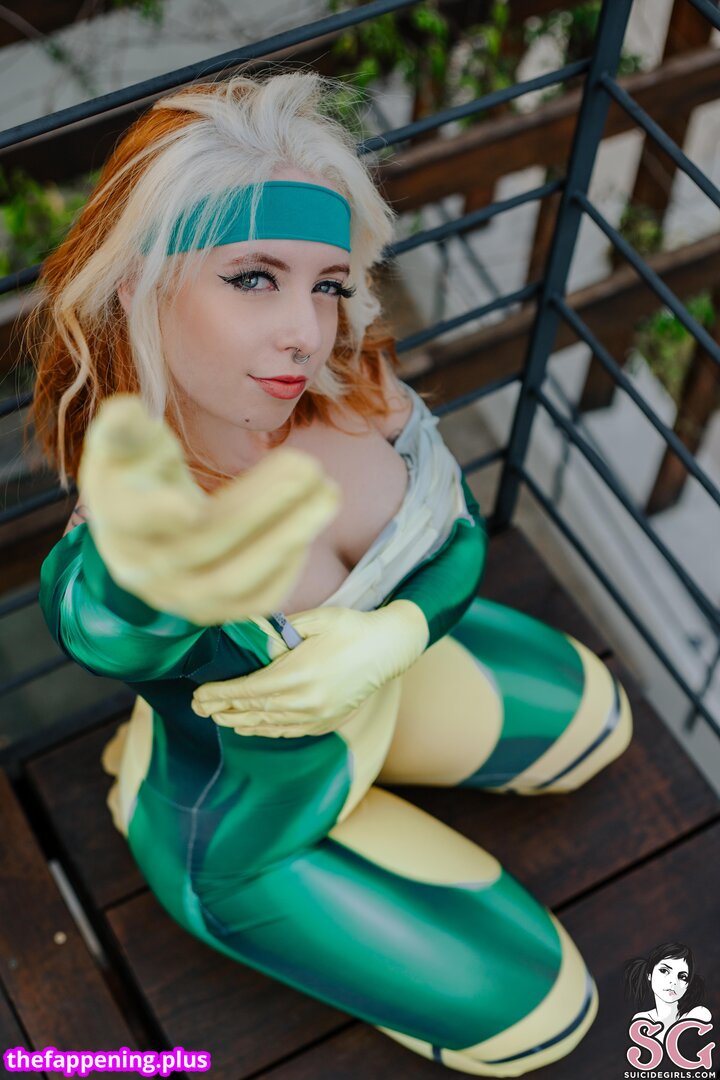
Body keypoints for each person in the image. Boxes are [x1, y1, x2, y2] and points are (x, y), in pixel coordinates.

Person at [33, 68, 633, 1076]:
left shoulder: (352, 379)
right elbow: (103, 622)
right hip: (261, 821)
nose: (306, 332)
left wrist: (398, 631)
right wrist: (150, 571)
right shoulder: (144, 520)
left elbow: (453, 535)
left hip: (382, 697)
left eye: (327, 283)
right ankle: (148, 788)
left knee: (600, 721)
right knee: (546, 1014)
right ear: (138, 283)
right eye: (253, 278)